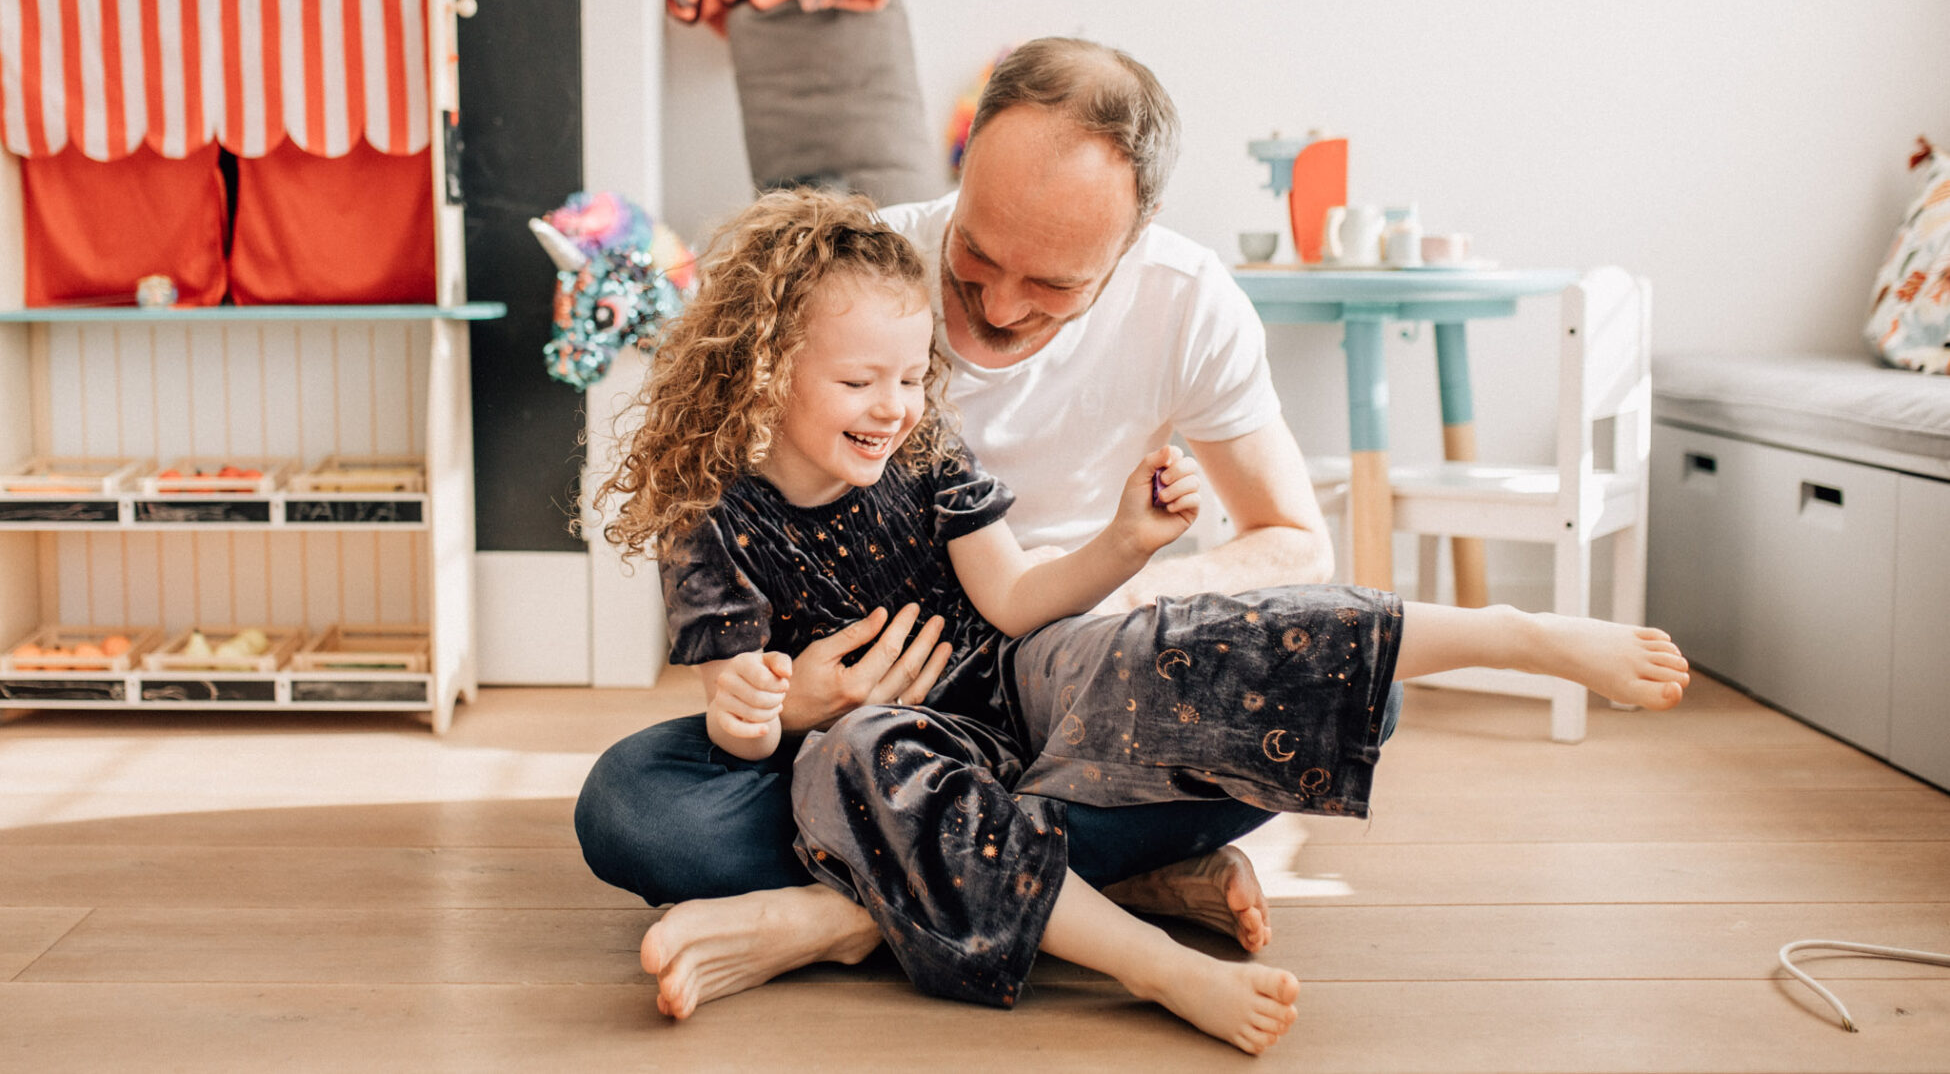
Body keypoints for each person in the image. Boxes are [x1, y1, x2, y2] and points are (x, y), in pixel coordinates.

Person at [589, 190, 1690, 1053]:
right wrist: (779, 709)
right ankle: (1157, 958)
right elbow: (737, 725)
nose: (896, 406)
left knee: (1172, 649)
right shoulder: (716, 516)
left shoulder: (924, 449)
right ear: (773, 369)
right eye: (862, 382)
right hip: (888, 749)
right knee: (776, 778)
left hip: (1021, 683)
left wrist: (1127, 543)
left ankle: (1510, 632)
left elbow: (1016, 599)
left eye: (912, 377)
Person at [575, 39, 1363, 974]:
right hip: (850, 737)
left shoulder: (1188, 303)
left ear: (1136, 233)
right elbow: (724, 497)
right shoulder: (854, 275)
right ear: (968, 159)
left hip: (1064, 695)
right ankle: (1092, 875)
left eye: (1053, 284)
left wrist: (1106, 607)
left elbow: (1291, 540)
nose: (994, 302)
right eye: (976, 256)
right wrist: (791, 699)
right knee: (635, 809)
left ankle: (842, 918)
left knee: (1355, 687)